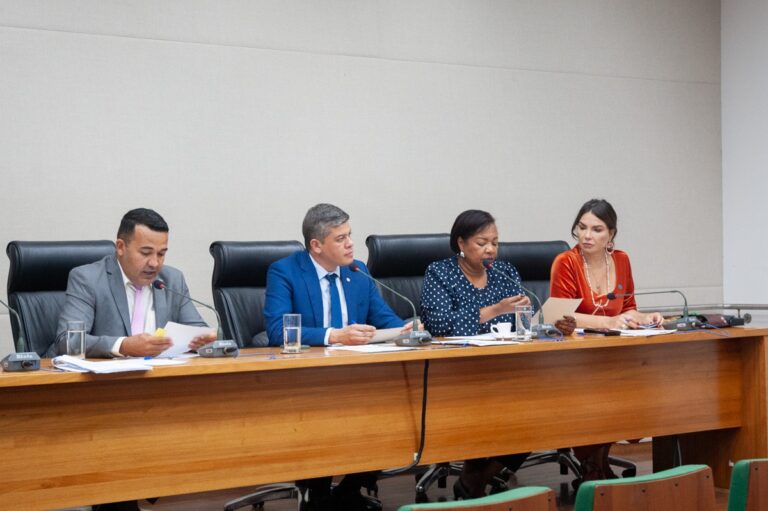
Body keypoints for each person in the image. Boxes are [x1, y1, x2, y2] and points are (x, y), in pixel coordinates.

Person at [50, 208, 216, 511]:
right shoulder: (88, 278)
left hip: (161, 394)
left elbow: (195, 328)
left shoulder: (171, 279)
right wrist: (124, 345)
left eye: (162, 253)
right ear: (121, 247)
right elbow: (68, 341)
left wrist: (202, 340)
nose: (155, 263)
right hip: (103, 398)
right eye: (146, 252)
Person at [263, 203, 411, 511]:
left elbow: (384, 318)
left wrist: (407, 329)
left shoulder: (357, 271)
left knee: (398, 410)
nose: (350, 244)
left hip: (358, 375)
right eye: (341, 238)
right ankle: (314, 497)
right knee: (320, 421)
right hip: (308, 378)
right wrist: (334, 335)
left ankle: (348, 491)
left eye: (350, 235)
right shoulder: (285, 271)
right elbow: (278, 330)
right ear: (316, 245)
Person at [550, 198, 663, 481]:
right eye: (582, 227)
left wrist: (646, 318)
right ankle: (593, 466)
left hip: (611, 352)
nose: (587, 236)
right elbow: (558, 314)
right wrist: (608, 322)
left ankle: (597, 463)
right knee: (596, 391)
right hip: (573, 357)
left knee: (630, 385)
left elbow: (628, 307)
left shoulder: (622, 260)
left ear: (611, 234)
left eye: (597, 229)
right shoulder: (566, 261)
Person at [420, 209, 531, 498]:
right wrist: (495, 310)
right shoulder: (440, 272)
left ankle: (476, 478)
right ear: (461, 242)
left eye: (495, 242)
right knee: (484, 409)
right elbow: (438, 324)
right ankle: (474, 481)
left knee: (538, 409)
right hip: (455, 372)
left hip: (507, 369)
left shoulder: (506, 273)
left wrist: (526, 313)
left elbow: (525, 325)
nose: (491, 249)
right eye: (482, 243)